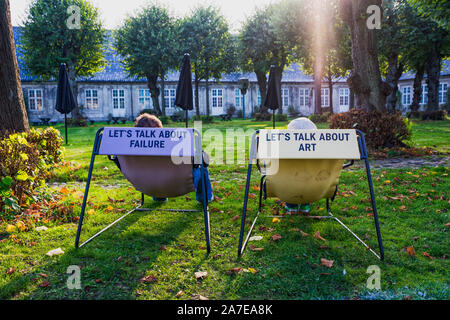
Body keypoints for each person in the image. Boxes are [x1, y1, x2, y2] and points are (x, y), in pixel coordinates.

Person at [134, 113, 214, 204]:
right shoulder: (174, 145)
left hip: (146, 184)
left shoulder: (130, 150)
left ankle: (159, 197)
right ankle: (205, 198)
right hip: (179, 184)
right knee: (202, 165)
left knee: (155, 171)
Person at [284, 117, 317, 214]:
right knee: (307, 176)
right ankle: (305, 205)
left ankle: (291, 206)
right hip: (315, 186)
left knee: (290, 177)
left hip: (285, 185)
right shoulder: (317, 152)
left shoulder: (284, 151)